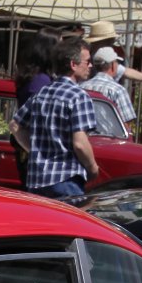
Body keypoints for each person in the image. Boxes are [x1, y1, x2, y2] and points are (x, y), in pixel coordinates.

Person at [10, 35, 100, 200]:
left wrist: (35, 151)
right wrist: (93, 168)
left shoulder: (42, 93)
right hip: (66, 179)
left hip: (37, 180)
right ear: (73, 65)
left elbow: (15, 125)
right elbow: (80, 144)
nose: (90, 66)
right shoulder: (78, 96)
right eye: (87, 62)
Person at [86, 20, 142, 86]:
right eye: (110, 40)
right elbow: (126, 72)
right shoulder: (90, 56)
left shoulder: (94, 54)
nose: (112, 43)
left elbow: (125, 71)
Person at [83, 47, 135, 134]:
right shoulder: (118, 90)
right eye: (116, 62)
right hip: (109, 138)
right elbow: (125, 123)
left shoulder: (82, 86)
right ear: (112, 65)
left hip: (86, 137)